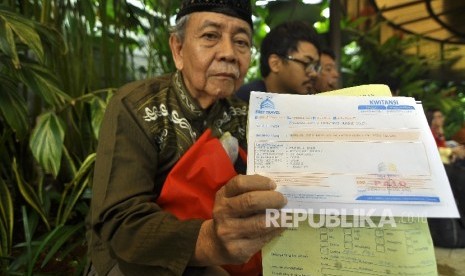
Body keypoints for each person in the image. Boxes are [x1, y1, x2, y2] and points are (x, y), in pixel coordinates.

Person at [86, 0, 287, 275]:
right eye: (210, 36)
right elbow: (120, 222)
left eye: (241, 42)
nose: (229, 53)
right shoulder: (136, 106)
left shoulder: (248, 116)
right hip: (135, 260)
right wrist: (209, 241)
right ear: (178, 49)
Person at [235, 20, 321, 103]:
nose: (314, 74)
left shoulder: (310, 104)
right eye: (306, 63)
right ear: (275, 64)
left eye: (316, 66)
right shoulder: (243, 103)